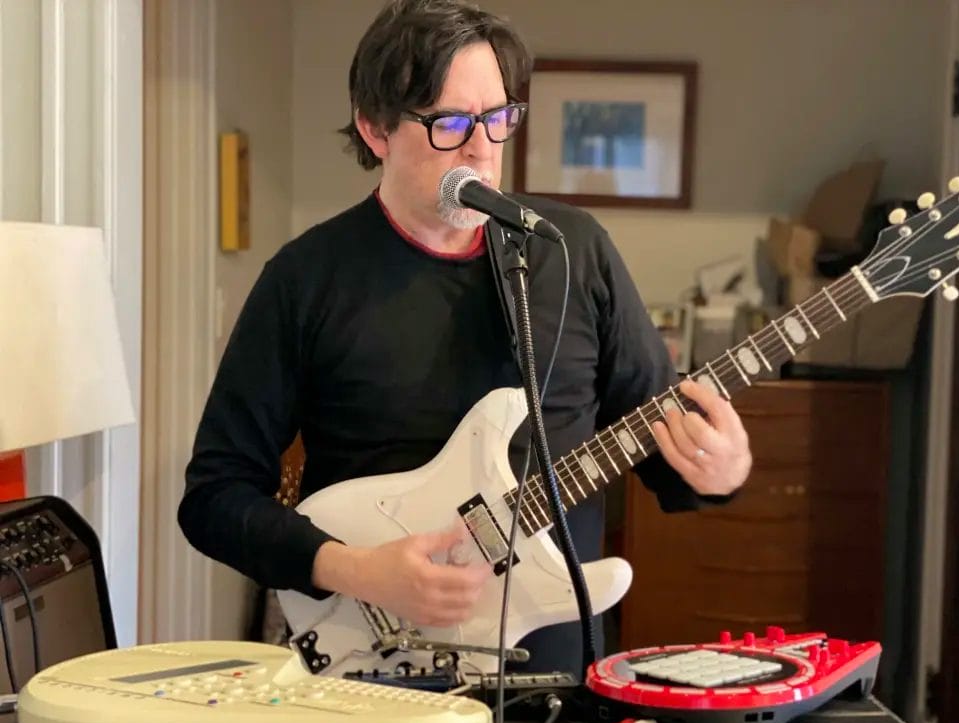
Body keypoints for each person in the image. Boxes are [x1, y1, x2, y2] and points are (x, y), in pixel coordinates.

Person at [178, 0, 752, 677]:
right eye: (449, 123)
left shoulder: (571, 251)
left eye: (498, 117)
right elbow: (214, 498)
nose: (481, 148)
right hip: (374, 670)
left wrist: (724, 469)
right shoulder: (305, 279)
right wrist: (356, 569)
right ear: (375, 128)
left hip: (553, 672)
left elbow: (661, 449)